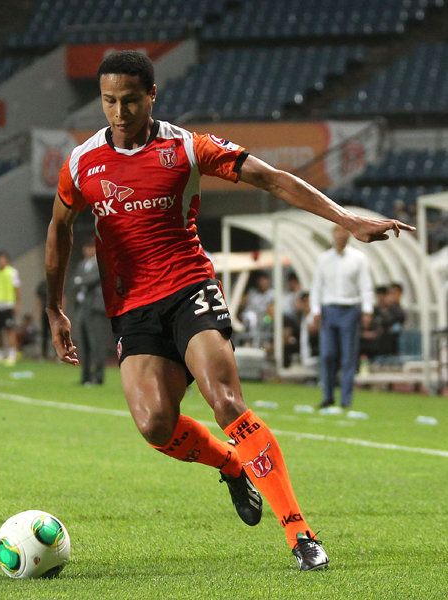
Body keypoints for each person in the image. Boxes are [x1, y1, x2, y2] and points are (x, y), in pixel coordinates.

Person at [45, 50, 414, 572]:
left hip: (189, 288)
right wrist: (54, 307)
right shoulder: (83, 162)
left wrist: (348, 220)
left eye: (130, 100)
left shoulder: (186, 147)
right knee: (154, 424)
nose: (120, 112)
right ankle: (231, 464)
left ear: (152, 95)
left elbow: (273, 179)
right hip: (132, 307)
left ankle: (301, 534)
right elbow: (59, 228)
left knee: (226, 401)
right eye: (109, 101)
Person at [310, 225, 374, 409]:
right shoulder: (323, 259)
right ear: (333, 235)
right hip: (329, 309)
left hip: (350, 309)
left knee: (348, 357)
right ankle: (328, 396)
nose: (340, 236)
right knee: (327, 355)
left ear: (349, 235)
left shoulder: (359, 258)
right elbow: (317, 286)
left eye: (343, 232)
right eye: (337, 232)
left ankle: (346, 400)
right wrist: (315, 310)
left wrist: (367, 310)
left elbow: (365, 285)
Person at [73, 239, 110, 385]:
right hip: (82, 306)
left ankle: (98, 376)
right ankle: (85, 376)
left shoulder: (101, 262)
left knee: (96, 342)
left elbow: (93, 280)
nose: (88, 251)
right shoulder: (81, 264)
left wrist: (81, 281)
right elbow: (74, 282)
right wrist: (81, 281)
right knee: (83, 342)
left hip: (95, 307)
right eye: (86, 248)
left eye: (91, 248)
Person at [0, 251, 21, 365]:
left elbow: (17, 289)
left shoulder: (12, 272)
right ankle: (1, 353)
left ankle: (12, 354)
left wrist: (17, 303)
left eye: (3, 259)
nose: (1, 262)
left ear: (7, 260)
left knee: (9, 330)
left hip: (8, 305)